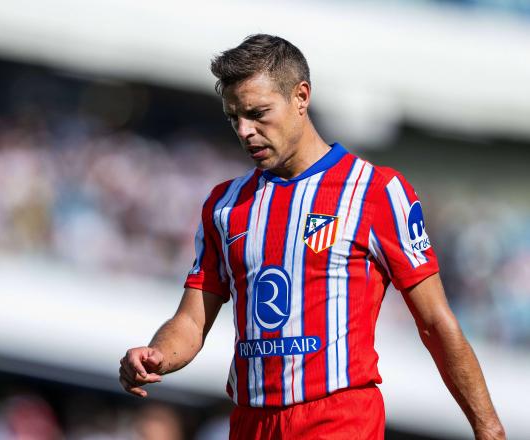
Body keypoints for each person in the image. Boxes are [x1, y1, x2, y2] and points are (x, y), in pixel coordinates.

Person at [119, 34, 505, 439]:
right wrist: (158, 354)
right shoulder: (225, 205)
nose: (245, 130)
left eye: (257, 113)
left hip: (337, 417)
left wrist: (487, 426)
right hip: (252, 421)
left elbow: (435, 322)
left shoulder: (374, 191)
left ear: (301, 97)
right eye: (234, 118)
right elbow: (191, 320)